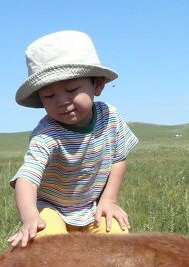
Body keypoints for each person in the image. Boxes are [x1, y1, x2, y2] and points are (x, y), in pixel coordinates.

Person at [8, 30, 139, 248]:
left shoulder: (110, 117)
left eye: (71, 89)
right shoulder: (46, 134)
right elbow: (27, 178)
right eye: (49, 96)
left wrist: (109, 200)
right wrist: (30, 217)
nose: (61, 101)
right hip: (51, 208)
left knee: (117, 237)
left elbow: (118, 159)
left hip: (91, 207)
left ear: (98, 85)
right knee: (46, 243)